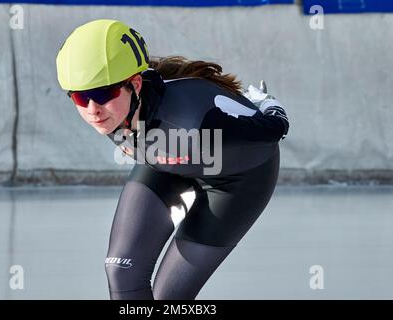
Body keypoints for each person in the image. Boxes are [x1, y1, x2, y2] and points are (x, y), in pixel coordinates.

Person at [56, 19, 289, 300]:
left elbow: (273, 130)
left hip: (237, 181)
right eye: (80, 98)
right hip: (167, 162)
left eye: (104, 93)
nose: (93, 109)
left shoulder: (196, 122)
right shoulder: (118, 107)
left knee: (171, 297)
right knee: (122, 272)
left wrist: (267, 105)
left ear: (135, 84)